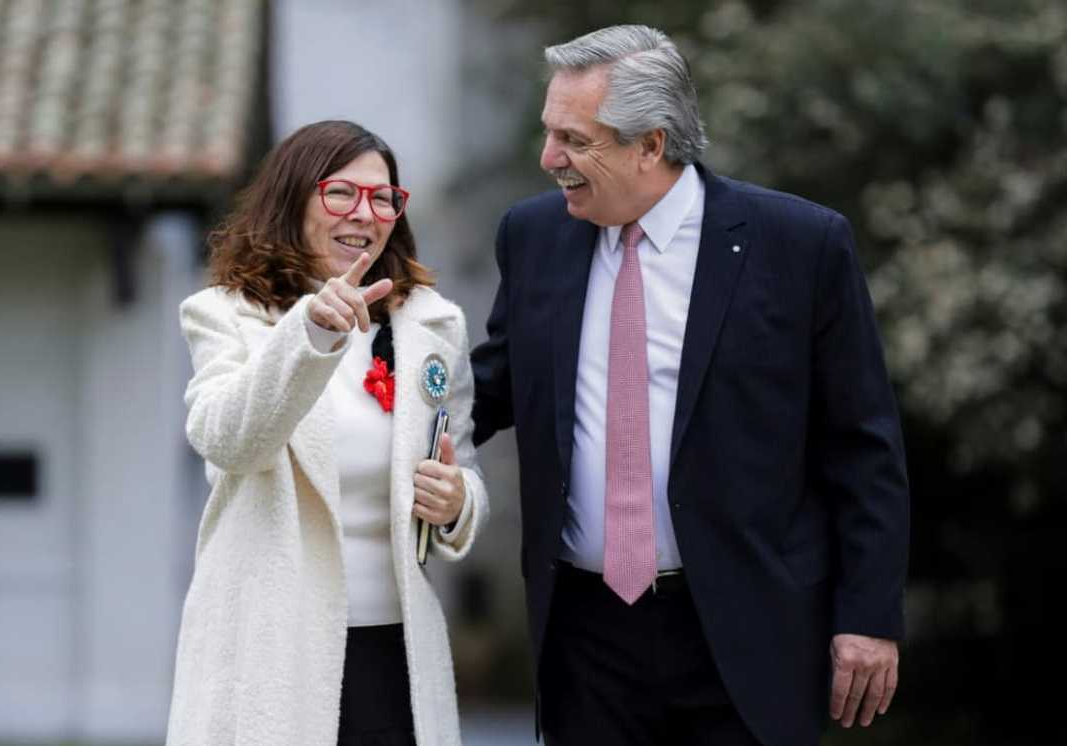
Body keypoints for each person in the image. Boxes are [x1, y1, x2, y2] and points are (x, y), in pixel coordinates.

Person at [471, 25, 910, 746]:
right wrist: (358, 376)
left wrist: (867, 616)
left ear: (652, 143)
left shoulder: (799, 245)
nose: (551, 159)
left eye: (577, 141)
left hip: (749, 628)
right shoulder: (533, 235)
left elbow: (863, 447)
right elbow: (488, 386)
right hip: (586, 639)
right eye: (551, 134)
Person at [166, 120, 487, 746]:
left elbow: (463, 463)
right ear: (293, 199)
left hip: (397, 649)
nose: (364, 214)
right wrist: (309, 334)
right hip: (270, 648)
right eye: (341, 194)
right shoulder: (227, 313)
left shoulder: (432, 323)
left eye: (383, 198)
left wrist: (457, 502)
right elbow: (228, 440)